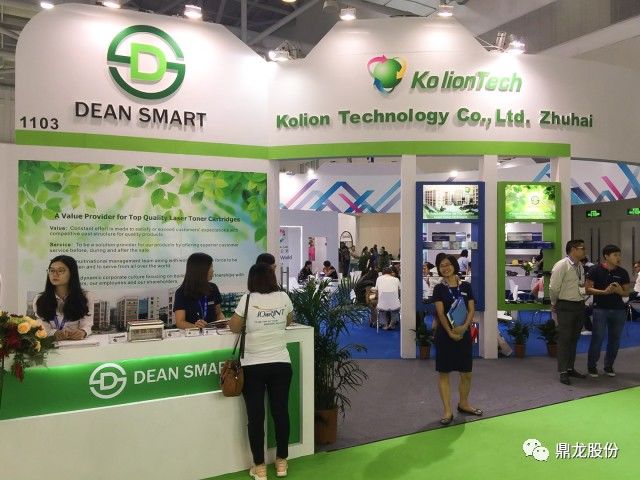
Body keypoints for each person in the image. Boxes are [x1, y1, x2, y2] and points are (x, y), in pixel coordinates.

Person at [229, 263, 294, 480]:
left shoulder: (247, 300)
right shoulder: (283, 297)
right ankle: (282, 462)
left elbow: (234, 326)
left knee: (256, 417)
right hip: (281, 363)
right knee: (281, 413)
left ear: (252, 279)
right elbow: (288, 321)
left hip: (253, 366)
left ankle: (259, 467)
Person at [432, 254, 481, 425]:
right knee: (444, 373)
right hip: (445, 335)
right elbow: (440, 313)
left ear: (454, 265)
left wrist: (465, 326)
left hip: (464, 333)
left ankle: (464, 403)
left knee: (466, 373)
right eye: (441, 266)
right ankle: (447, 411)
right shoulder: (439, 288)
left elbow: (471, 309)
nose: (445, 268)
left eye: (447, 264)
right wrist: (450, 332)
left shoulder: (466, 286)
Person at [585, 245, 631, 377]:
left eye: (619, 255)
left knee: (615, 339)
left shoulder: (623, 272)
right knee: (597, 338)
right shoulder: (595, 270)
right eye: (615, 255)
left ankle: (608, 366)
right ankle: (592, 366)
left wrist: (619, 291)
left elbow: (626, 292)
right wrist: (604, 292)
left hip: (619, 310)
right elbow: (588, 289)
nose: (618, 258)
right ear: (606, 256)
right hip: (600, 309)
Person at [549, 239, 588, 385]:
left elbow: (581, 285)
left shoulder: (580, 266)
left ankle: (570, 368)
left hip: (579, 305)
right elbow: (554, 287)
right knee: (564, 339)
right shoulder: (561, 265)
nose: (584, 251)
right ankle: (563, 371)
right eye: (582, 248)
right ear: (573, 249)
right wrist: (554, 302)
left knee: (574, 338)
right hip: (565, 305)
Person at [34, 255, 92, 340]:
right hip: (53, 343)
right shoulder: (40, 299)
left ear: (72, 273)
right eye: (52, 270)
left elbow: (87, 324)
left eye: (60, 271)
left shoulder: (86, 296)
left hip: (77, 343)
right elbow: (43, 326)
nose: (55, 274)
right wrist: (54, 333)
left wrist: (83, 332)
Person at [173, 253, 225, 329]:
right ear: (201, 270)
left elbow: (219, 313)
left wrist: (222, 322)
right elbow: (180, 322)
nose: (213, 270)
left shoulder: (213, 288)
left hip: (213, 333)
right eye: (211, 267)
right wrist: (195, 327)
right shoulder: (181, 292)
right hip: (193, 335)